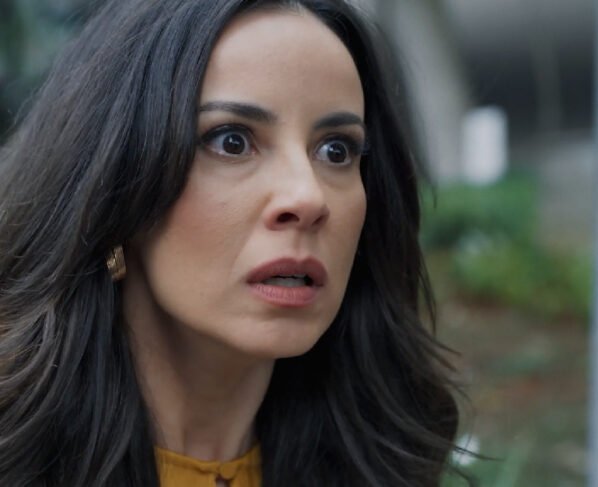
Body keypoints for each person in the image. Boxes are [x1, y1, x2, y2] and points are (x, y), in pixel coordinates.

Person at [0, 0, 464, 485]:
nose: (308, 197)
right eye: (232, 141)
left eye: (336, 150)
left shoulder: (384, 467)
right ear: (114, 182)